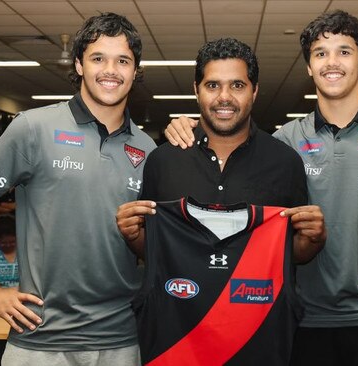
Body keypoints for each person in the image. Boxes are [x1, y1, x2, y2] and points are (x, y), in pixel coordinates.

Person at [164, 10, 358, 366]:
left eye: (344, 51)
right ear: (308, 68)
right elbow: (230, 145)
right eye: (320, 53)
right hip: (305, 320)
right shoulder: (285, 141)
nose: (332, 62)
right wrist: (194, 128)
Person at [0, 12, 156, 366]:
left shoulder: (147, 150)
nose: (111, 70)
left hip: (121, 338)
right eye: (98, 58)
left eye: (122, 60)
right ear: (79, 64)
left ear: (135, 71)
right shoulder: (33, 127)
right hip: (39, 336)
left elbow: (150, 242)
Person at [116, 38, 326, 365]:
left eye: (237, 85)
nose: (224, 97)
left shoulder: (285, 163)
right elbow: (158, 253)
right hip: (176, 344)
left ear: (254, 91)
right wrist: (134, 236)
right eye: (213, 85)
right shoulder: (163, 161)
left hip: (258, 344)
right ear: (196, 90)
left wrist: (312, 239)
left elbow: (290, 255)